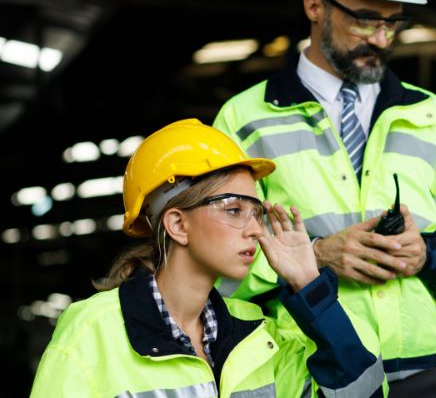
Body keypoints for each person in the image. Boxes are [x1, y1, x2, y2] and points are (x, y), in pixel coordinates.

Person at [213, 0, 436, 395]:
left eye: (394, 23)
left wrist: (426, 254)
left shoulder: (433, 116)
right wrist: (316, 258)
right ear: (315, 7)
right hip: (305, 373)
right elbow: (215, 260)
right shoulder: (242, 120)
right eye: (366, 21)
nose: (382, 39)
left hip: (416, 375)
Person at [30, 119, 385, 397]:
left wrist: (310, 287)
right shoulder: (92, 333)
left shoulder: (260, 334)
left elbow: (362, 392)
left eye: (256, 212)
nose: (256, 231)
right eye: (233, 210)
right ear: (177, 225)